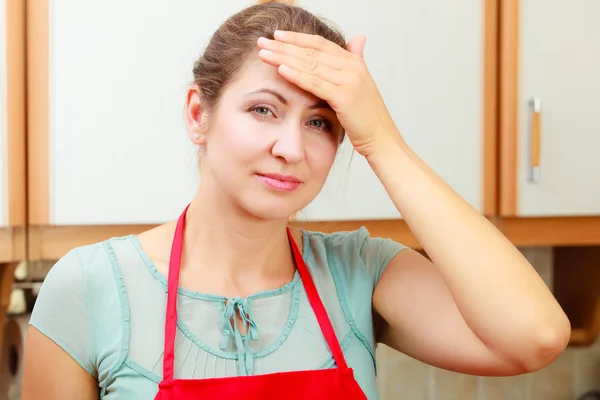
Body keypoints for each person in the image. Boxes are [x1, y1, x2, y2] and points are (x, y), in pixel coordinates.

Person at [21, 2, 571, 399]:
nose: (291, 148)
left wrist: (383, 141)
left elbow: (536, 337)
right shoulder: (91, 288)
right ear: (198, 114)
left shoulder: (359, 273)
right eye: (263, 109)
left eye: (320, 122)